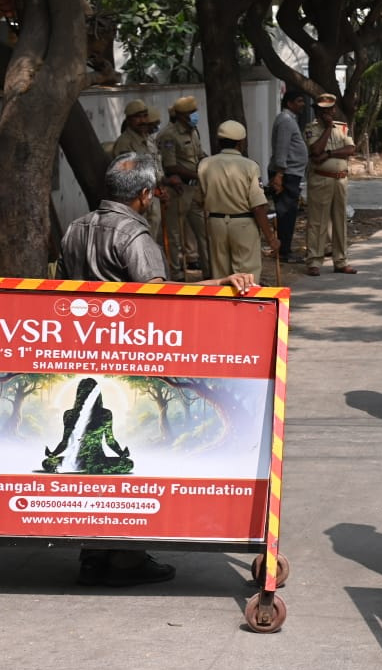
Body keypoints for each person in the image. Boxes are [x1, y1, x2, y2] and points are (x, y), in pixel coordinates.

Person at [58, 152, 254, 586]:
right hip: (130, 360)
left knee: (91, 460)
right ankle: (125, 559)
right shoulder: (133, 236)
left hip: (80, 358)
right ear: (144, 195)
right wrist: (218, 285)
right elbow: (158, 302)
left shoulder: (75, 228)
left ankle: (92, 556)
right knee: (129, 455)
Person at [199, 120, 279, 282]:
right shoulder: (250, 166)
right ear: (241, 142)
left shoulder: (205, 164)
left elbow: (199, 199)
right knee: (246, 277)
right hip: (243, 224)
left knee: (221, 276)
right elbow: (257, 207)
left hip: (216, 223)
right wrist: (271, 238)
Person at [304, 93, 357, 276]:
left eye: (330, 109)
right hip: (321, 179)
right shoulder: (312, 128)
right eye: (324, 110)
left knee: (340, 220)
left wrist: (329, 154)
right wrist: (327, 129)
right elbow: (315, 151)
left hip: (340, 179)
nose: (328, 113)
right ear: (317, 111)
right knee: (318, 221)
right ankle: (314, 260)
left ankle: (340, 260)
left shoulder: (342, 128)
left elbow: (351, 149)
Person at [158, 95, 210, 281]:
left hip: (196, 191)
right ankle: (176, 273)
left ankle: (209, 272)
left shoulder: (194, 131)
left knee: (204, 233)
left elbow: (199, 154)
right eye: (190, 113)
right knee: (174, 235)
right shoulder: (169, 135)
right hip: (179, 191)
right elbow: (170, 165)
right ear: (180, 115)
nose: (195, 116)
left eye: (195, 111)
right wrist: (196, 175)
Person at [112, 99, 164, 243]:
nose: (142, 121)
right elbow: (126, 176)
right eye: (137, 117)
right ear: (128, 120)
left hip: (151, 196)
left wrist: (159, 186)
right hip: (135, 200)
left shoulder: (148, 139)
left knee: (151, 237)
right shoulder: (125, 143)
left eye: (144, 116)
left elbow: (155, 167)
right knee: (137, 240)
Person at [268, 90, 308, 264]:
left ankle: (285, 249)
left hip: (290, 173)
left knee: (289, 213)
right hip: (286, 174)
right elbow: (282, 149)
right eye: (299, 100)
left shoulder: (290, 120)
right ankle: (284, 251)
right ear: (290, 103)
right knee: (285, 214)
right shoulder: (285, 121)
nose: (302, 104)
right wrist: (279, 174)